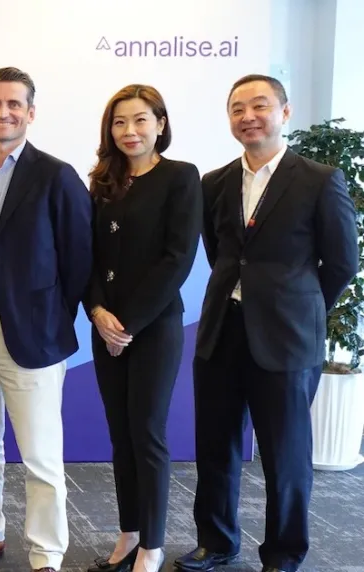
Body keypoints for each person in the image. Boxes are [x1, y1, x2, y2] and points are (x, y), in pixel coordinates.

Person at [175, 75, 357, 572]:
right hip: (221, 332)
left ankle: (283, 553)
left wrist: (300, 307)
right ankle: (216, 541)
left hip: (287, 337)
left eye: (260, 106)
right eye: (238, 108)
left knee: (286, 457)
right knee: (215, 446)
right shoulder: (213, 182)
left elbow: (341, 263)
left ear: (285, 112)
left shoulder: (319, 179)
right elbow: (222, 254)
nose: (248, 116)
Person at [0, 67, 93, 572]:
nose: (2, 112)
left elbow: (79, 262)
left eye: (13, 104)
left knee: (40, 454)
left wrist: (48, 319)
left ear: (31, 112)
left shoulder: (57, 176)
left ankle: (47, 554)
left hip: (32, 335)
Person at [81, 85, 201, 572]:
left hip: (151, 327)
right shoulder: (102, 181)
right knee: (120, 434)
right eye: (119, 122)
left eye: (140, 120)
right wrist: (95, 310)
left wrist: (126, 323)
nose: (129, 131)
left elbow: (178, 259)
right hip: (104, 324)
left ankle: (152, 543)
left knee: (147, 432)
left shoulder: (180, 177)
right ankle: (129, 534)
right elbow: (85, 255)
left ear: (160, 124)